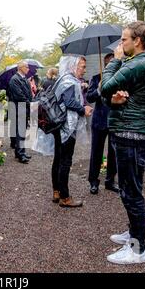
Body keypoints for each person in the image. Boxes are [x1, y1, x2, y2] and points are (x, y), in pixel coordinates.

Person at [100, 21, 145, 264]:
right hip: (128, 132)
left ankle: (137, 249)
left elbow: (104, 86)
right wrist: (114, 101)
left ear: (138, 41)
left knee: (132, 193)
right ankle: (133, 233)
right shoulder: (135, 64)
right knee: (128, 190)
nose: (120, 44)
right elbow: (110, 97)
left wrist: (114, 60)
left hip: (131, 136)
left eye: (124, 40)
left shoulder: (137, 63)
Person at [51, 55, 93, 207]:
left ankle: (56, 191)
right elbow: (69, 102)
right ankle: (65, 197)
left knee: (58, 158)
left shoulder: (64, 79)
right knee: (65, 161)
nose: (84, 70)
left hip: (59, 125)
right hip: (66, 127)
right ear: (73, 67)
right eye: (82, 66)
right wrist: (83, 109)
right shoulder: (69, 81)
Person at [86, 53, 119, 194]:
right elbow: (89, 97)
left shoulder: (120, 79)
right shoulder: (96, 78)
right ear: (106, 65)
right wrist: (99, 89)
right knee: (96, 153)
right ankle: (93, 182)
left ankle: (110, 181)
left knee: (114, 153)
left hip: (115, 121)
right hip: (99, 121)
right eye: (109, 63)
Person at [8, 61, 33, 163]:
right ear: (21, 68)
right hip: (19, 108)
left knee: (22, 132)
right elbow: (19, 96)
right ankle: (20, 154)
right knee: (20, 132)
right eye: (27, 67)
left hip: (24, 108)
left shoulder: (24, 79)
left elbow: (28, 93)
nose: (28, 69)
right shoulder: (15, 80)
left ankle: (20, 152)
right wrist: (30, 104)